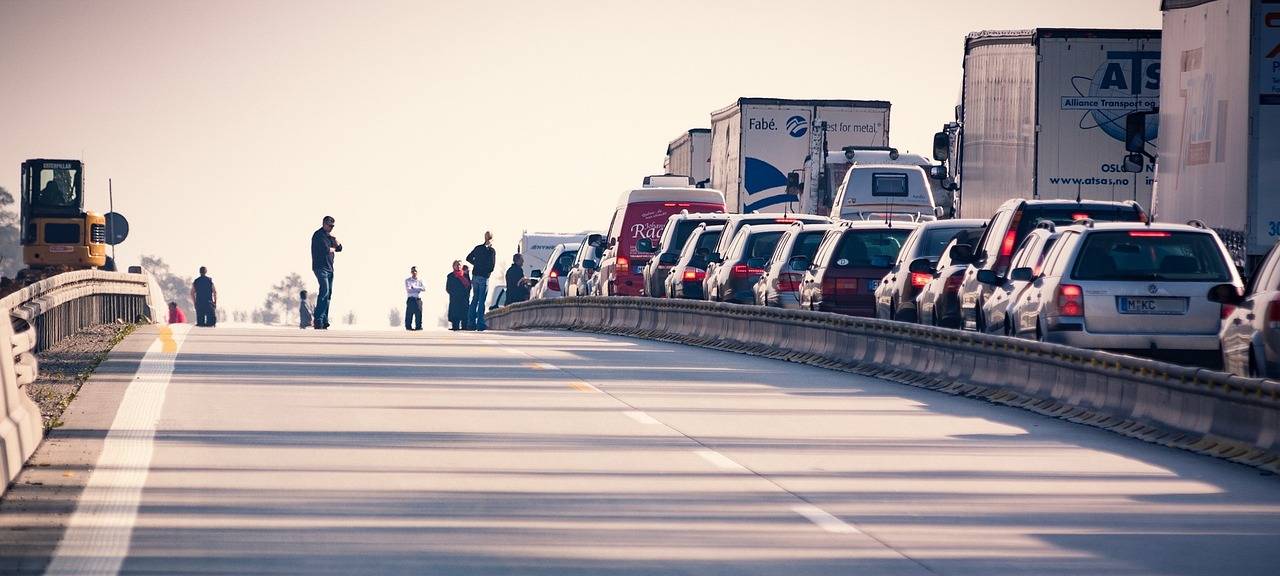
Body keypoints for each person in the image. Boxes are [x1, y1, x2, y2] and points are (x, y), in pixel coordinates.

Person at [310, 216, 343, 330]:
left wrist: (336, 241)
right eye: (329, 225)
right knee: (324, 291)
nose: (331, 228)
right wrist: (333, 247)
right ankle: (318, 320)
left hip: (330, 268)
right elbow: (325, 249)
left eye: (332, 226)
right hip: (320, 267)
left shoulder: (329, 236)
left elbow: (340, 248)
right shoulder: (318, 235)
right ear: (324, 223)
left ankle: (324, 320)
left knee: (328, 295)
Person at [465, 231, 496, 331]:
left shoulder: (478, 248)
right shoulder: (491, 251)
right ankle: (480, 324)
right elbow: (492, 267)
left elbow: (468, 258)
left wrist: (476, 264)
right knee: (482, 300)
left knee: (474, 299)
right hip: (484, 276)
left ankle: (470, 323)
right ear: (492, 239)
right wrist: (485, 270)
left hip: (475, 275)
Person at [446, 260, 470, 331]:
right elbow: (448, 288)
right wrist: (453, 294)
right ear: (453, 266)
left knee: (464, 313)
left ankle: (464, 326)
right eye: (457, 265)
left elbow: (469, 286)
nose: (458, 266)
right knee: (455, 313)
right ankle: (455, 326)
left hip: (464, 297)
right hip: (454, 298)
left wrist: (466, 294)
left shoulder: (465, 275)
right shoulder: (450, 276)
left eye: (460, 265)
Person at [404, 266, 424, 331]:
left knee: (419, 314)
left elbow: (423, 288)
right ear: (411, 272)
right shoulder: (407, 280)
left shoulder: (420, 280)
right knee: (409, 314)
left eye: (415, 271)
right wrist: (418, 288)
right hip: (411, 299)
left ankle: (418, 327)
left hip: (418, 299)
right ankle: (408, 327)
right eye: (413, 271)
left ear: (417, 272)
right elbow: (409, 290)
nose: (414, 272)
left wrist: (414, 287)